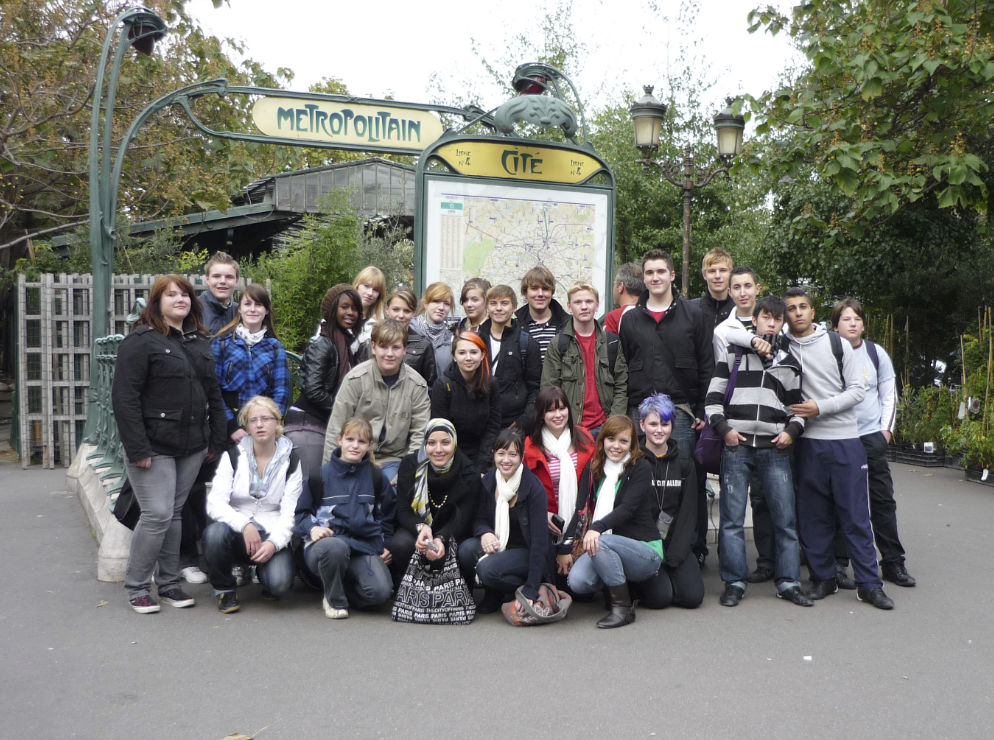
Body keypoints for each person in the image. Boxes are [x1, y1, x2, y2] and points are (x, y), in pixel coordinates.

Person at [744, 288, 894, 610]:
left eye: (803, 307)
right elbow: (733, 331)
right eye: (791, 309)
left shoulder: (836, 343)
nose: (798, 313)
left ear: (813, 312)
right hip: (806, 443)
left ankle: (869, 584)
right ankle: (823, 577)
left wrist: (820, 407)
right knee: (813, 517)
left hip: (844, 441)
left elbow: (857, 390)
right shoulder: (780, 346)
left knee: (855, 515)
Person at [111, 274, 227, 614]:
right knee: (158, 513)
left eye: (185, 295)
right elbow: (124, 397)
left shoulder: (197, 340)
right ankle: (136, 586)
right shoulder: (140, 341)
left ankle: (169, 583)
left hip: (192, 443)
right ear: (157, 302)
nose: (180, 299)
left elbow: (212, 392)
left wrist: (216, 437)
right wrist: (138, 448)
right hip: (153, 444)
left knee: (174, 512)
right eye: (171, 295)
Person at [705, 296, 812, 607]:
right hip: (737, 447)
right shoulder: (734, 355)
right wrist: (725, 431)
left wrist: (792, 432)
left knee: (785, 519)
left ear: (782, 324)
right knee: (731, 520)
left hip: (775, 449)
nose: (771, 323)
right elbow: (712, 402)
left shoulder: (790, 363)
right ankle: (734, 582)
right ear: (755, 320)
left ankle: (789, 582)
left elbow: (799, 410)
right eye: (765, 317)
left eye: (777, 319)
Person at [617, 249, 713, 566]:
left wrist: (702, 409)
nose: (655, 278)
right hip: (639, 412)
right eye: (649, 273)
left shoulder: (694, 315)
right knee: (639, 478)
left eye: (661, 271)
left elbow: (706, 364)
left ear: (672, 275)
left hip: (681, 412)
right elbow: (623, 365)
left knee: (685, 482)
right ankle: (643, 547)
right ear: (643, 279)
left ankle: (691, 549)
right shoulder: (630, 318)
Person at [832, 298, 915, 588]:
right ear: (835, 325)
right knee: (839, 501)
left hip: (871, 438)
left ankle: (893, 563)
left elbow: (888, 393)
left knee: (881, 501)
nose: (852, 323)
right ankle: (839, 564)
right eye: (846, 319)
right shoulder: (829, 353)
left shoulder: (875, 353)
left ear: (863, 324)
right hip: (839, 437)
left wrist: (885, 432)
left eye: (857, 319)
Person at [202, 396, 303, 613]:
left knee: (280, 584)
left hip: (270, 529)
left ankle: (264, 572)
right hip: (236, 529)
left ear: (277, 422)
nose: (259, 424)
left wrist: (274, 543)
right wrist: (245, 524)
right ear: (246, 426)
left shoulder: (292, 461)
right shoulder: (233, 456)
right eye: (252, 420)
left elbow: (289, 513)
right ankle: (224, 590)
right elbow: (214, 504)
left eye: (265, 418)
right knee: (214, 534)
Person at [563, 415, 663, 628]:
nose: (616, 446)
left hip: (644, 551)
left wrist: (597, 528)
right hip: (605, 546)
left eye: (623, 441)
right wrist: (565, 548)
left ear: (632, 443)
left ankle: (623, 608)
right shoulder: (594, 468)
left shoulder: (640, 468)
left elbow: (627, 509)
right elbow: (580, 511)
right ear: (603, 441)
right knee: (577, 582)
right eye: (611, 439)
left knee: (601, 540)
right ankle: (614, 584)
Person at [710, 266, 776, 583]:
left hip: (770, 426)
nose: (743, 292)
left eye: (748, 285)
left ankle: (768, 562)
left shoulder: (775, 323)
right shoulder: (724, 329)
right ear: (731, 292)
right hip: (736, 422)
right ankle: (732, 573)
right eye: (737, 287)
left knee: (765, 500)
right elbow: (719, 372)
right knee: (733, 505)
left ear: (757, 287)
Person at [296, 416, 395, 619]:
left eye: (361, 441)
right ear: (339, 440)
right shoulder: (319, 475)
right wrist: (313, 528)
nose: (355, 446)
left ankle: (338, 587)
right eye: (350, 439)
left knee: (380, 593)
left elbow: (387, 516)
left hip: (362, 546)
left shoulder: (376, 476)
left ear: (369, 445)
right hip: (326, 547)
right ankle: (334, 600)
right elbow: (301, 514)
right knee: (335, 547)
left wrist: (385, 544)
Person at [324, 319, 431, 483]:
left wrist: (406, 473)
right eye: (383, 347)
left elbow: (420, 434)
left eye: (395, 347)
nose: (389, 354)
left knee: (390, 497)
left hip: (394, 459)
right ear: (373, 347)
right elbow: (336, 427)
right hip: (357, 454)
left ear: (404, 350)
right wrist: (331, 472)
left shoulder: (416, 385)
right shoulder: (355, 379)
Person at [458, 429, 551, 612]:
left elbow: (540, 543)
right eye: (501, 453)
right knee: (466, 550)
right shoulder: (491, 479)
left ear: (522, 456)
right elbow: (479, 517)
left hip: (525, 550)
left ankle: (522, 588)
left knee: (486, 569)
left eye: (512, 454)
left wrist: (531, 590)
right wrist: (485, 533)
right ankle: (494, 593)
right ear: (494, 455)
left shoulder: (533, 488)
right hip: (500, 544)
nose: (506, 460)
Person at [630, 393, 704, 610]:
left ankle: (671, 577)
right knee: (659, 599)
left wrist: (675, 556)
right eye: (653, 424)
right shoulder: (633, 462)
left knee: (692, 598)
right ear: (642, 425)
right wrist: (652, 553)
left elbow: (689, 513)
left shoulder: (684, 462)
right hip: (645, 546)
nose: (659, 430)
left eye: (665, 423)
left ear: (672, 425)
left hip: (674, 544)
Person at [388, 418, 483, 585]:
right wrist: (421, 527)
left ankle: (453, 594)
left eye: (445, 442)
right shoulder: (411, 465)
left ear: (454, 442)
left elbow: (464, 517)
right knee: (401, 544)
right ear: (424, 444)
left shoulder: (468, 472)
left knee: (458, 551)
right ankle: (409, 592)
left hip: (454, 531)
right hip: (418, 526)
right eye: (431, 443)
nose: (438, 449)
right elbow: (403, 510)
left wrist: (440, 537)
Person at [283, 284, 361, 487]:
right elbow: (313, 390)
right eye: (344, 307)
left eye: (354, 308)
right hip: (306, 426)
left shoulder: (347, 344)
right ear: (332, 309)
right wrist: (342, 409)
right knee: (307, 488)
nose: (350, 313)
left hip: (326, 425)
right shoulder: (323, 344)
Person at [541, 281, 628, 440]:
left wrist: (614, 423)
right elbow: (549, 389)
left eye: (589, 301)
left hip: (605, 426)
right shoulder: (558, 344)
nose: (584, 306)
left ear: (597, 305)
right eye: (578, 302)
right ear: (569, 306)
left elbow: (621, 385)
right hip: (571, 428)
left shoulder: (612, 343)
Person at [211, 284, 290, 442]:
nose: (252, 309)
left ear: (266, 310)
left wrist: (268, 424)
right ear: (239, 309)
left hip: (263, 430)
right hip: (229, 430)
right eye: (247, 304)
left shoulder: (275, 348)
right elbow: (213, 390)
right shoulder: (222, 343)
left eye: (258, 304)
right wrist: (232, 426)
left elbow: (281, 391)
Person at [523, 386, 595, 546]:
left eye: (562, 408)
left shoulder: (585, 437)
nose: (558, 415)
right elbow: (523, 491)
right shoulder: (530, 445)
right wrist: (542, 515)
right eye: (550, 410)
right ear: (542, 414)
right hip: (545, 525)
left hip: (582, 525)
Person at [430, 330, 501, 469]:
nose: (468, 358)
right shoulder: (443, 385)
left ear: (483, 355)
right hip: (451, 453)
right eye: (462, 353)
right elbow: (442, 429)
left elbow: (493, 427)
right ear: (454, 356)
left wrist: (482, 464)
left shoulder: (491, 383)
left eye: (474, 352)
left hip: (483, 451)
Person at [477, 284, 541, 431]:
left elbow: (535, 388)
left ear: (514, 308)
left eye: (504, 303)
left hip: (513, 423)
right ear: (487, 308)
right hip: (480, 422)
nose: (498, 308)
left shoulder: (526, 342)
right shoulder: (476, 341)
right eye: (493, 303)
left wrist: (523, 422)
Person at [514, 265, 570, 361]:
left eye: (545, 288)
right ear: (525, 292)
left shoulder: (569, 325)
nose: (540, 294)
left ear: (551, 292)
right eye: (534, 288)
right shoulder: (515, 327)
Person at [384, 287, 437, 386]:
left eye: (407, 311)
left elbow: (430, 385)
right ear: (387, 309)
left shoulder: (423, 345)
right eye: (396, 309)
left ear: (414, 313)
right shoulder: (374, 340)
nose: (401, 315)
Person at [409, 282, 455, 377]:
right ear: (425, 303)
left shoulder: (451, 338)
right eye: (436, 301)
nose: (441, 307)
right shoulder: (410, 329)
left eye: (446, 304)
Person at [688, 246, 735, 331]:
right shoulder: (690, 309)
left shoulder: (739, 311)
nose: (717, 276)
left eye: (723, 270)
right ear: (704, 275)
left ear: (731, 274)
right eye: (712, 271)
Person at [200, 251, 240, 334]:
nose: (222, 281)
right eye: (216, 276)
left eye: (229, 277)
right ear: (207, 279)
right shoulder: (193, 309)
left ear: (236, 281)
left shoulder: (240, 312)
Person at [602, 262, 643, 334]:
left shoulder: (614, 317)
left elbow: (608, 344)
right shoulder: (650, 311)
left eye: (614, 284)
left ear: (620, 286)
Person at [352, 265, 386, 349]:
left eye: (375, 290)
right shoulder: (338, 315)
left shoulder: (380, 325)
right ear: (357, 286)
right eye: (366, 286)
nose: (370, 293)